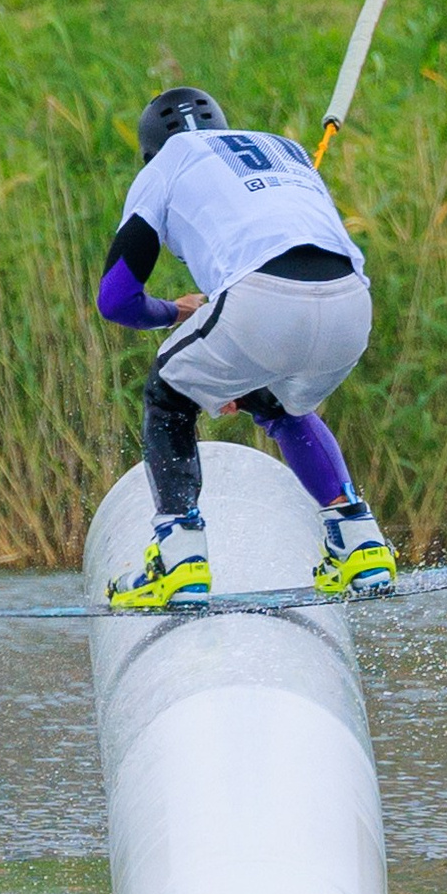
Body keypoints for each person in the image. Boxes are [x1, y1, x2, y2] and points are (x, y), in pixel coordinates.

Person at [94, 87, 398, 609]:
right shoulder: (286, 148)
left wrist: (175, 310)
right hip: (352, 306)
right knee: (279, 404)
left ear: (150, 150)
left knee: (169, 396)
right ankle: (360, 543)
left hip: (262, 301)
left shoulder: (163, 167)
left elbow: (116, 300)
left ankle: (178, 557)